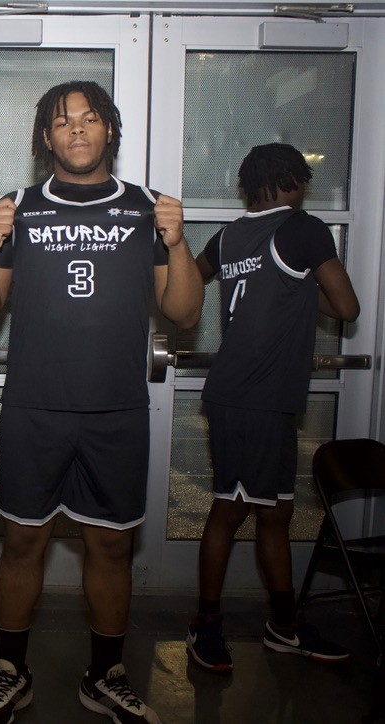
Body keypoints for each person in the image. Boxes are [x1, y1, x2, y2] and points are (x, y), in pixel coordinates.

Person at [0, 81, 203, 724]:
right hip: (35, 408)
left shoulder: (147, 209)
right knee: (21, 543)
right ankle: (12, 670)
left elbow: (182, 311)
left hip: (115, 411)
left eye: (89, 119)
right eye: (63, 122)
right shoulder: (21, 208)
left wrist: (178, 244)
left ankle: (106, 674)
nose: (76, 130)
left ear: (109, 131)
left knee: (112, 549)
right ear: (46, 138)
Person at [186, 143, 359, 673]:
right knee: (232, 509)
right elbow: (347, 307)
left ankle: (281, 623)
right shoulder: (304, 229)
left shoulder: (229, 235)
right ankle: (208, 626)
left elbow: (190, 282)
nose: (305, 188)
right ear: (288, 179)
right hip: (256, 397)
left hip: (249, 394)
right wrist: (308, 288)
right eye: (302, 179)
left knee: (273, 511)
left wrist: (294, 289)